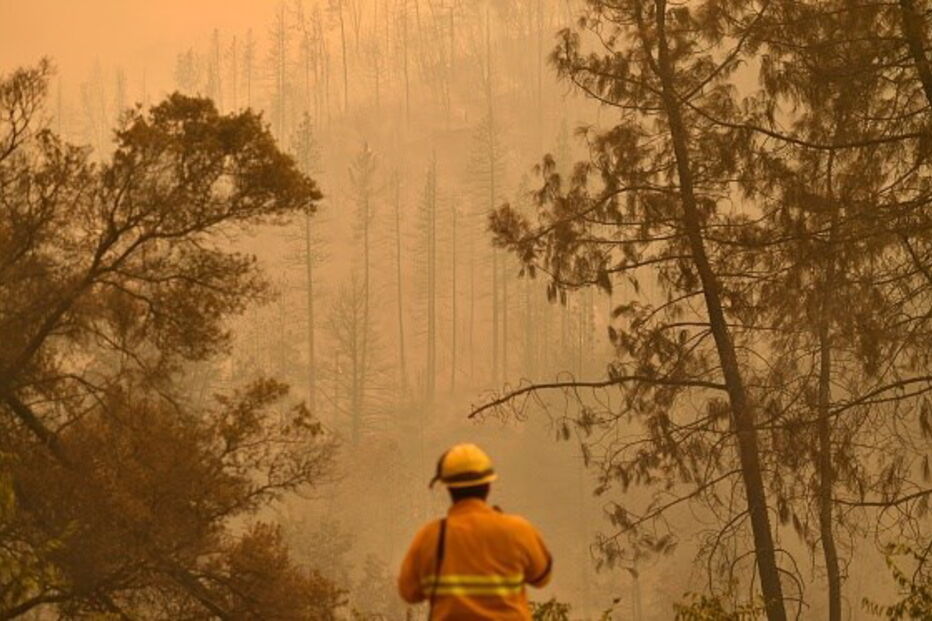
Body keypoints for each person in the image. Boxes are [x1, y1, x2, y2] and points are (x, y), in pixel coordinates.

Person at [398, 443, 553, 620]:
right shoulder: (518, 530)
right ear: (488, 485)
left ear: (448, 488)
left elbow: (408, 592)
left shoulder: (430, 537)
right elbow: (542, 578)